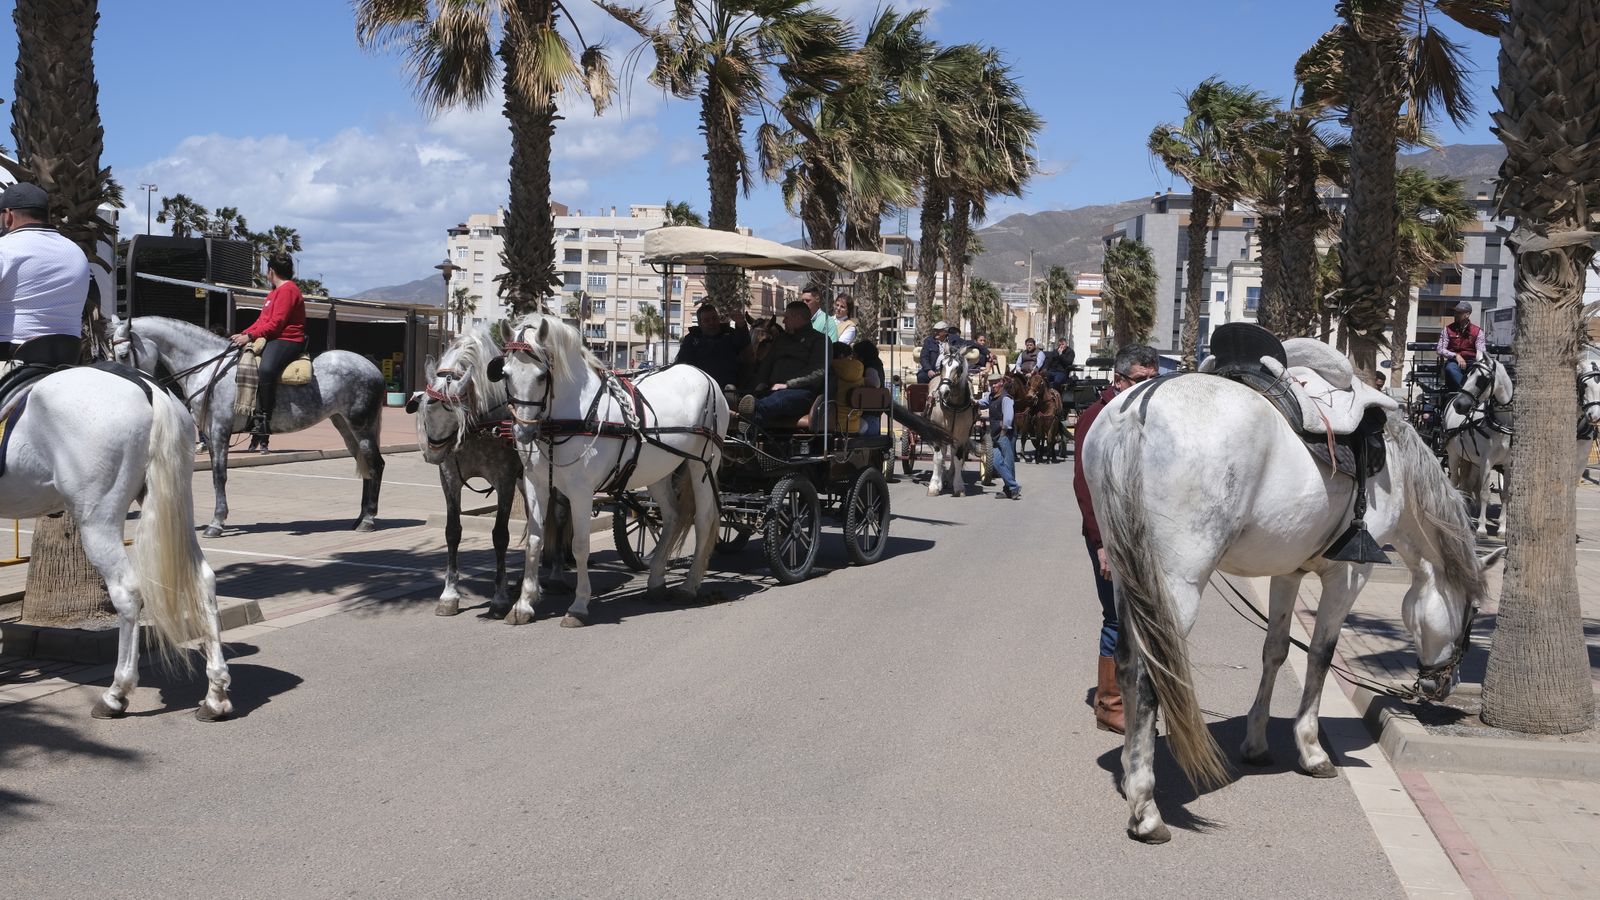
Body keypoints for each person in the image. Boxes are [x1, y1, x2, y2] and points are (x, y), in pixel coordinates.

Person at [1072, 343, 1159, 734]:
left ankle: (1137, 695)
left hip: (1143, 534)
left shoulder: (1148, 416)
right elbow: (1085, 487)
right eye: (1141, 381)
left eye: (1153, 382)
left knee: (1144, 618)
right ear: (1119, 379)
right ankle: (1109, 705)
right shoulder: (1096, 418)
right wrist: (1101, 543)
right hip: (1108, 535)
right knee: (1115, 617)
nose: (1147, 389)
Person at [0, 182, 90, 370]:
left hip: (11, 357)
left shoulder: (4, 249)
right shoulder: (75, 251)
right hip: (70, 356)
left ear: (8, 215)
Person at [231, 253, 306, 451]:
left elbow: (276, 324)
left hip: (288, 340)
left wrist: (250, 337)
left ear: (271, 271)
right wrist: (245, 333)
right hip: (273, 337)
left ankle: (263, 424)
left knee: (265, 370)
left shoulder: (288, 290)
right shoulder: (273, 293)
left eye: (267, 270)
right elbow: (262, 321)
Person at [739, 300, 827, 426]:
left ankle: (747, 407)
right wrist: (760, 383)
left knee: (778, 400)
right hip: (772, 390)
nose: (784, 321)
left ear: (798, 318)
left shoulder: (819, 340)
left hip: (801, 393)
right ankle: (746, 412)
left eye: (786, 317)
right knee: (764, 398)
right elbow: (767, 363)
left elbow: (818, 370)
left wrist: (788, 385)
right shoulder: (782, 339)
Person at [675, 303, 751, 390]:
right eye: (707, 321)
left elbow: (748, 356)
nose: (712, 323)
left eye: (714, 318)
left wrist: (741, 326)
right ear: (700, 323)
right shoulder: (692, 339)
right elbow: (681, 364)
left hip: (729, 389)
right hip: (700, 389)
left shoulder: (730, 335)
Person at [979, 375, 1021, 500]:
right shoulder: (991, 396)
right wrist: (973, 402)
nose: (993, 385)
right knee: (996, 462)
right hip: (995, 434)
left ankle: (1009, 490)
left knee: (1008, 463)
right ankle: (1013, 487)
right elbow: (982, 403)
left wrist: (1003, 431)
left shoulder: (1006, 398)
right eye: (991, 383)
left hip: (1005, 434)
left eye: (995, 383)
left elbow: (1008, 418)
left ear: (1001, 383)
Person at [1436, 300, 1485, 395]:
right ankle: (1467, 391)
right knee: (1450, 368)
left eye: (1459, 313)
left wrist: (1478, 363)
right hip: (1454, 362)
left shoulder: (1478, 331)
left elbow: (1481, 352)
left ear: (1467, 314)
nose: (1455, 315)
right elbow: (1440, 349)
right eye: (1455, 312)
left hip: (1472, 361)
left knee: (1480, 371)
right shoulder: (1447, 329)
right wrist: (1456, 356)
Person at [852, 339, 885, 436]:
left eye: (855, 355)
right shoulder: (878, 365)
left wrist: (858, 381)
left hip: (866, 417)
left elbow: (875, 383)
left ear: (861, 357)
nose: (853, 358)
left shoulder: (869, 367)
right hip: (874, 417)